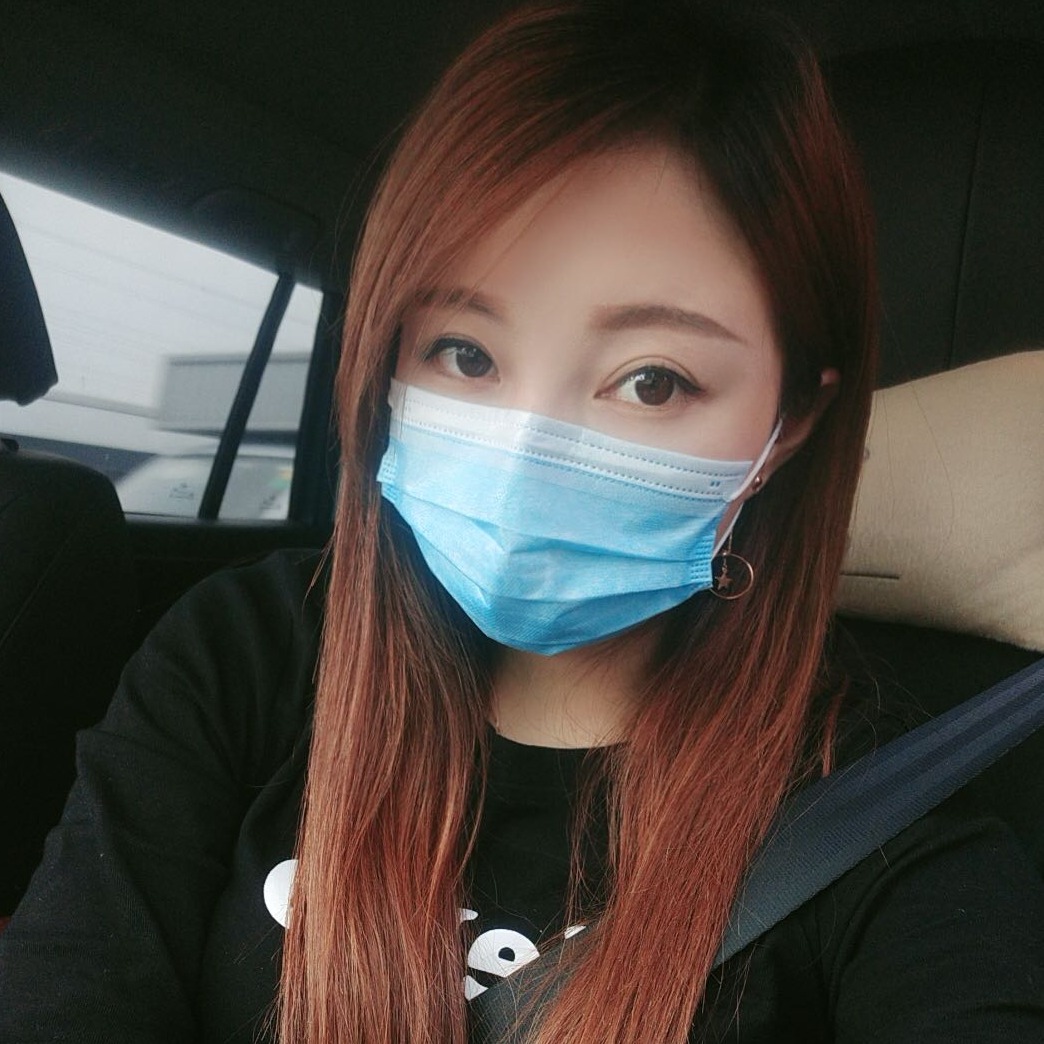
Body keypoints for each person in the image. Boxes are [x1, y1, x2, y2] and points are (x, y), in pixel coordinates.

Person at [1, 2, 1042, 1042]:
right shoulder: (246, 650)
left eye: (652, 379)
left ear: (789, 425)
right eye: (464, 353)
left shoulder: (873, 810)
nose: (527, 444)